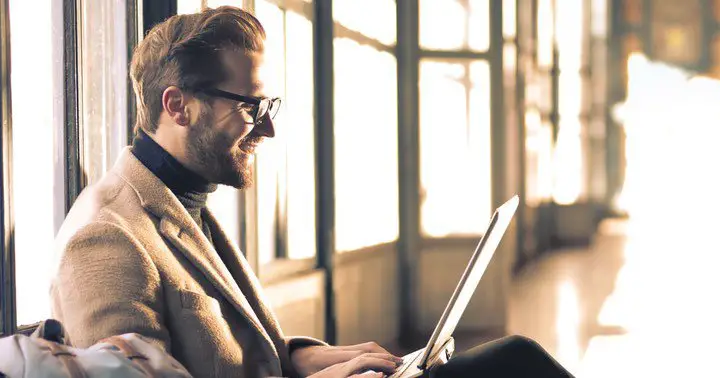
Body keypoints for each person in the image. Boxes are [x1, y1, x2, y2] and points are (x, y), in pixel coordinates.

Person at [50, 6, 574, 378]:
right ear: (177, 106)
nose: (268, 129)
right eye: (251, 108)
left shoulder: (182, 199)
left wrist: (327, 358)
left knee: (512, 359)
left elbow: (241, 353)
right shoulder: (106, 236)